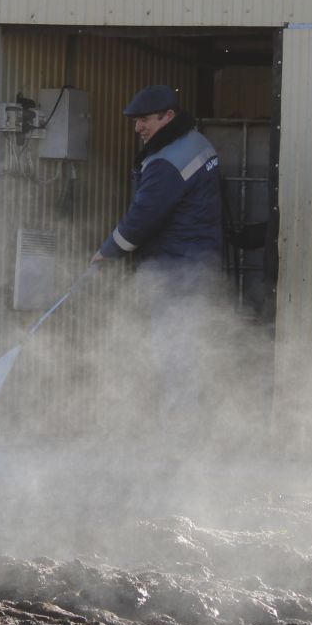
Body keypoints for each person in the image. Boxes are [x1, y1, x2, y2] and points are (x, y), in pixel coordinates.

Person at [92, 84, 224, 408]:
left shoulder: (167, 162)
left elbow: (141, 219)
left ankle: (178, 441)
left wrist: (107, 252)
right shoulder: (195, 142)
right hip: (197, 265)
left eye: (145, 120)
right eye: (135, 121)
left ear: (168, 116)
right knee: (187, 354)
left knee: (176, 357)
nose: (138, 128)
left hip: (177, 272)